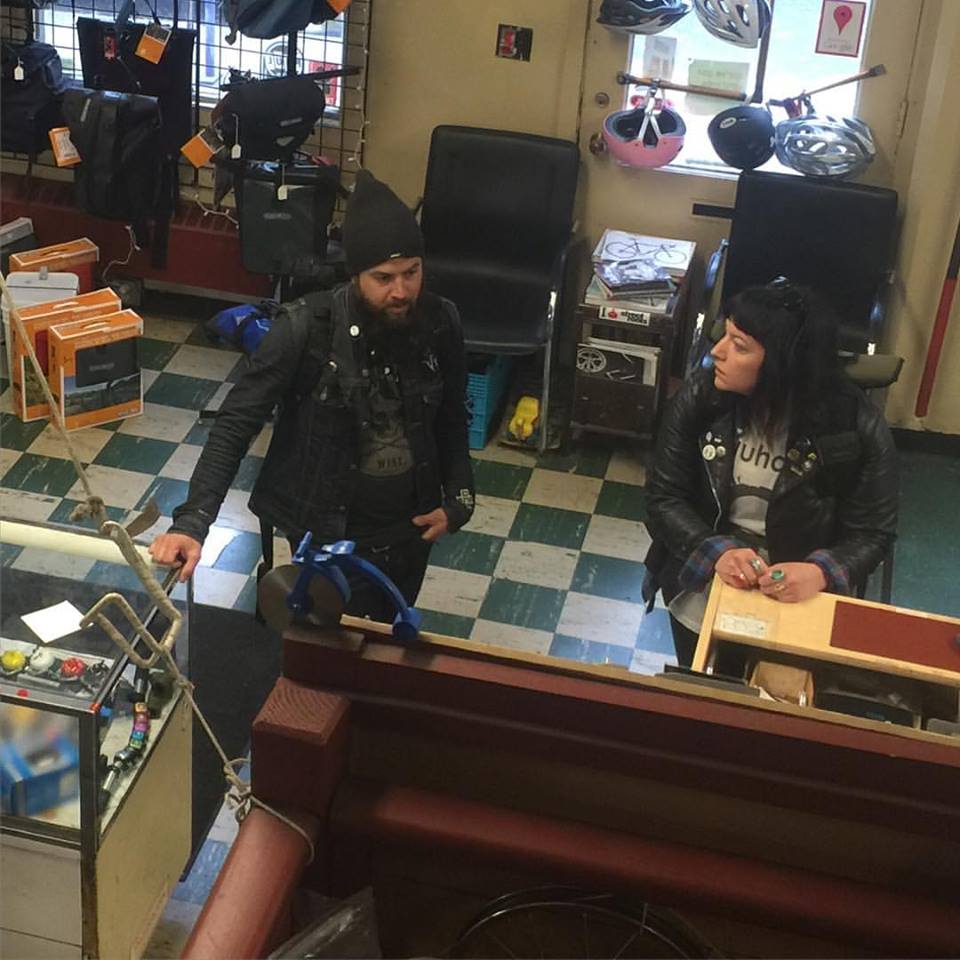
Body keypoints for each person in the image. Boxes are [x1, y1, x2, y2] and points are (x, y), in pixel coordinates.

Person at [149, 170, 475, 621]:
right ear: (355, 274)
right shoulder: (302, 328)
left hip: (408, 529)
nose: (401, 291)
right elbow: (234, 426)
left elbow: (453, 416)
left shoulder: (442, 321)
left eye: (411, 273)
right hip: (323, 527)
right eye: (383, 277)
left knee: (385, 642)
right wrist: (192, 523)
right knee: (320, 644)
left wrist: (459, 500)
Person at [642, 279, 899, 668]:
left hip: (798, 595)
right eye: (724, 335)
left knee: (774, 699)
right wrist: (717, 551)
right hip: (706, 579)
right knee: (704, 688)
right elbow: (663, 499)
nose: (718, 352)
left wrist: (820, 571)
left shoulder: (854, 427)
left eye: (739, 346)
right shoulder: (702, 399)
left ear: (783, 366)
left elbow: (873, 532)